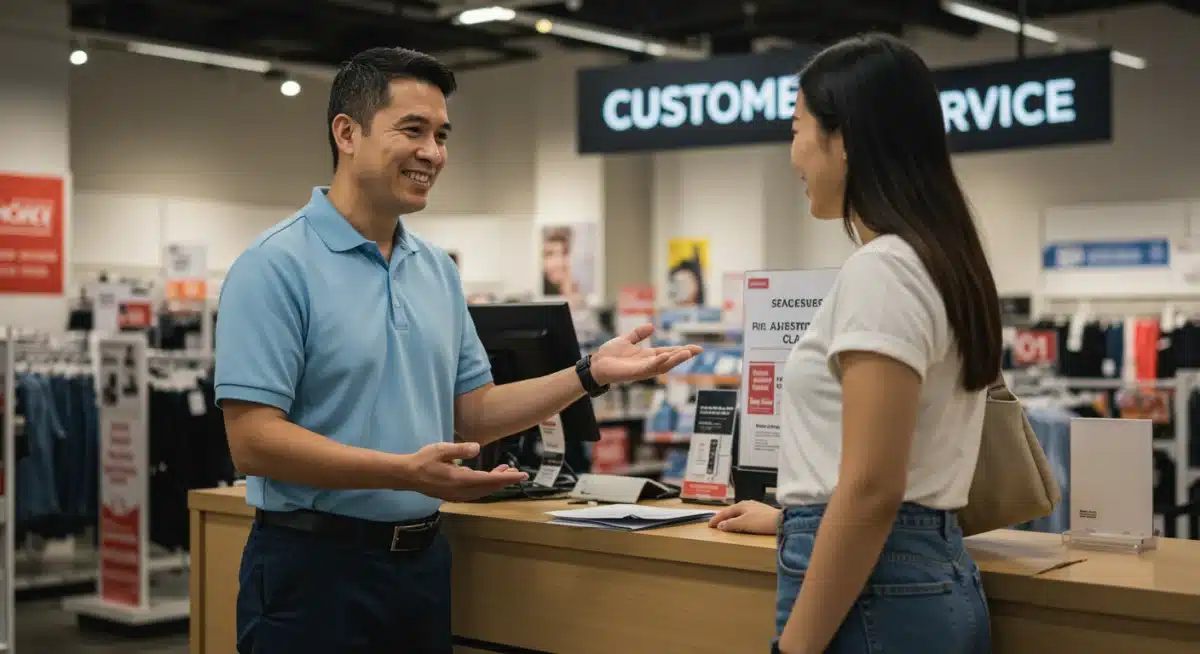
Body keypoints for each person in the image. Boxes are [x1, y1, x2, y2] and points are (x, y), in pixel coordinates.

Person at [214, 46, 701, 654]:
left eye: (442, 135)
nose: (434, 153)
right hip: (312, 569)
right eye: (412, 131)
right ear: (347, 132)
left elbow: (472, 409)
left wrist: (588, 374)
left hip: (421, 568)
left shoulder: (435, 272)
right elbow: (253, 441)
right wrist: (404, 471)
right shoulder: (274, 266)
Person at [708, 33, 1001, 654]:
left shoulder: (884, 270)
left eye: (796, 130)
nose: (794, 157)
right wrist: (795, 519)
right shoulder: (940, 260)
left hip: (877, 587)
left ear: (843, 139)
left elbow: (872, 486)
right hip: (915, 573)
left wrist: (798, 646)